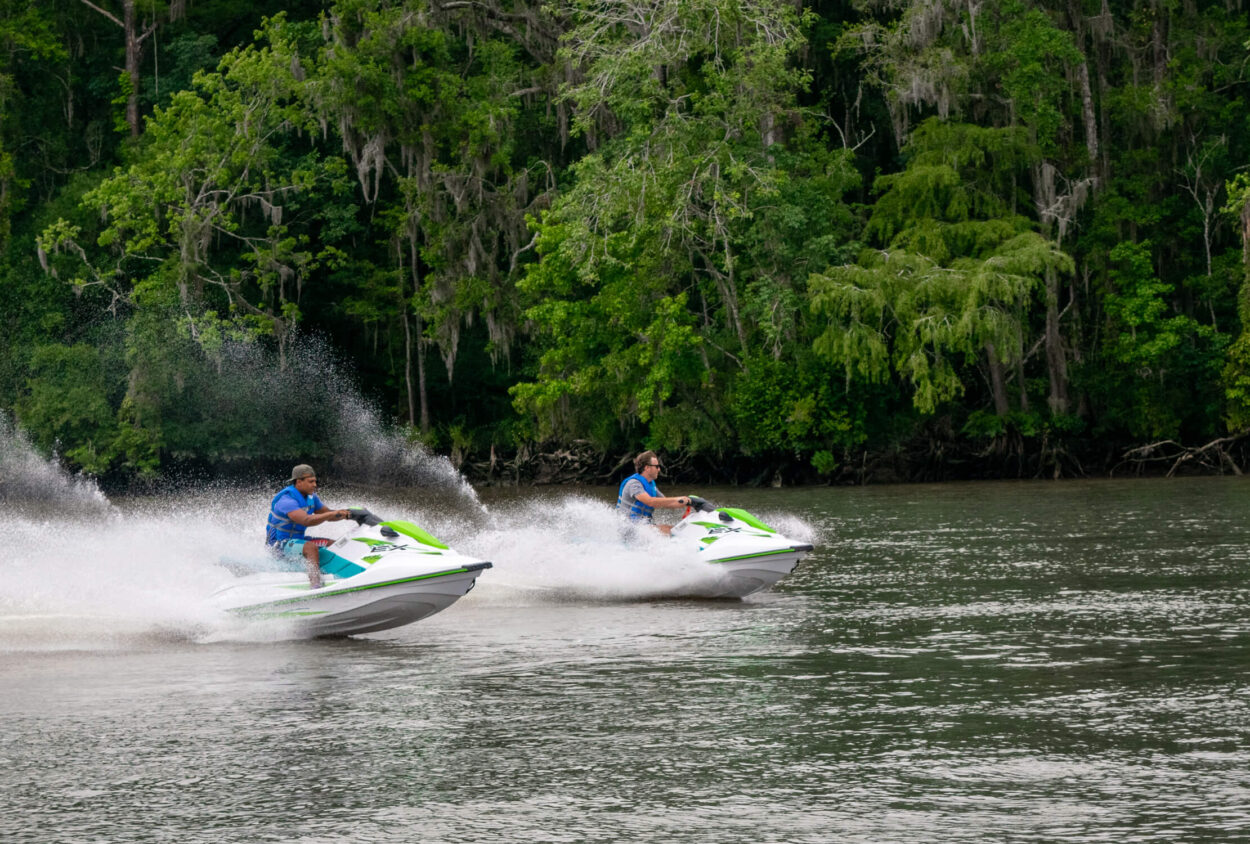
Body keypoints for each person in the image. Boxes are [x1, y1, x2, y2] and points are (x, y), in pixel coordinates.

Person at [265, 464, 350, 589]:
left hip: (297, 541)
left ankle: (346, 573)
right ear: (299, 482)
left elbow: (329, 515)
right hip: (278, 545)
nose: (315, 485)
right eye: (311, 481)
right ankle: (315, 584)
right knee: (310, 547)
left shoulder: (311, 498)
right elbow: (306, 520)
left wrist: (348, 514)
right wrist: (332, 513)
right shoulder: (286, 500)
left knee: (335, 544)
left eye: (315, 481)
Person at [617, 450, 690, 536]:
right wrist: (680, 499)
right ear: (647, 468)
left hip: (640, 526)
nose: (659, 469)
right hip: (628, 527)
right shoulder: (634, 484)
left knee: (673, 529)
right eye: (657, 466)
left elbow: (667, 503)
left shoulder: (651, 486)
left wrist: (690, 502)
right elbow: (650, 502)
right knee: (667, 530)